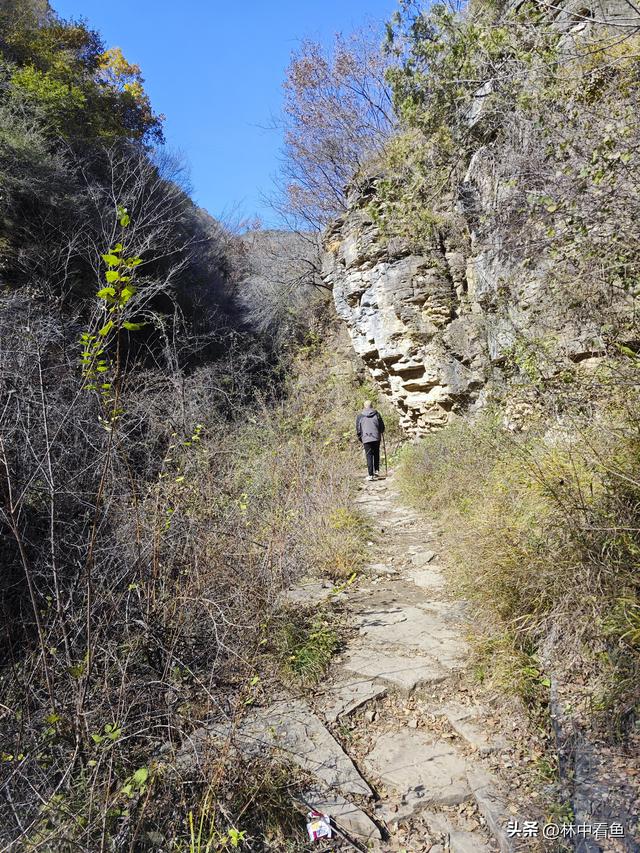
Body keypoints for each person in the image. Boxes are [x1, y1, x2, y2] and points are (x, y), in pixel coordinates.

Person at [356, 400, 385, 481]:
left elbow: (358, 429)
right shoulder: (377, 414)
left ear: (364, 406)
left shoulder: (360, 416)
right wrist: (381, 431)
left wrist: (360, 438)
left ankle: (370, 475)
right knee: (376, 453)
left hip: (366, 438)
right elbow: (382, 427)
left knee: (368, 455)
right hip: (376, 437)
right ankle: (376, 471)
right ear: (372, 406)